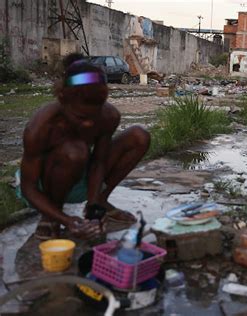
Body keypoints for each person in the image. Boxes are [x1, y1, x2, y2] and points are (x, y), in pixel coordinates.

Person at [17, 53, 151, 240]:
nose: (89, 124)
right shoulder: (41, 126)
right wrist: (67, 220)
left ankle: (100, 202)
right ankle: (51, 215)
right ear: (63, 100)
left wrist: (94, 207)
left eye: (95, 115)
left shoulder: (109, 116)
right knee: (75, 151)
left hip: (81, 171)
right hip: (43, 185)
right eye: (81, 117)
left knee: (139, 136)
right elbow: (28, 188)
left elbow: (98, 162)